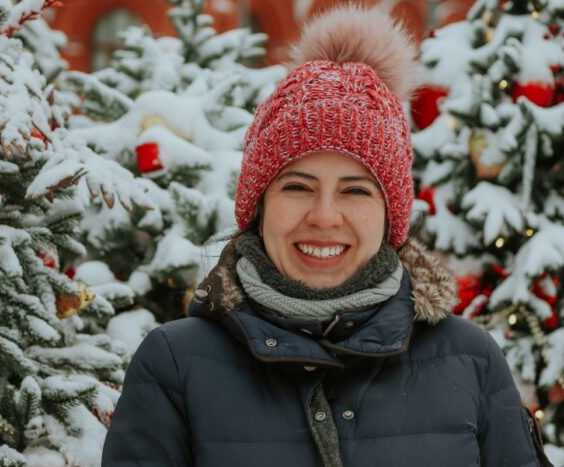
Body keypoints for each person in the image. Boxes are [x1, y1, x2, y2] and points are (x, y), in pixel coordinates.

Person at [102, 6, 552, 467]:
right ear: (259, 207)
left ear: (389, 215)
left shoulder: (470, 360)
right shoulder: (175, 365)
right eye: (297, 187)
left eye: (355, 190)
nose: (324, 216)